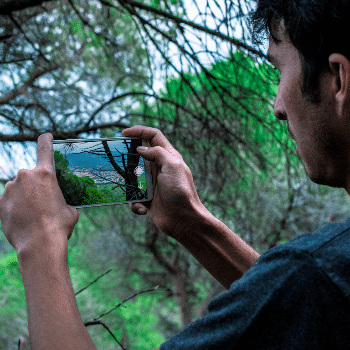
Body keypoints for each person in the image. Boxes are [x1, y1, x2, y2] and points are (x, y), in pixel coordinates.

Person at [1, 0, 350, 348]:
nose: (277, 107)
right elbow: (302, 308)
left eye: (279, 71)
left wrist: (39, 240)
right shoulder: (327, 275)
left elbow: (308, 289)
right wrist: (191, 223)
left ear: (337, 78)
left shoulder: (317, 272)